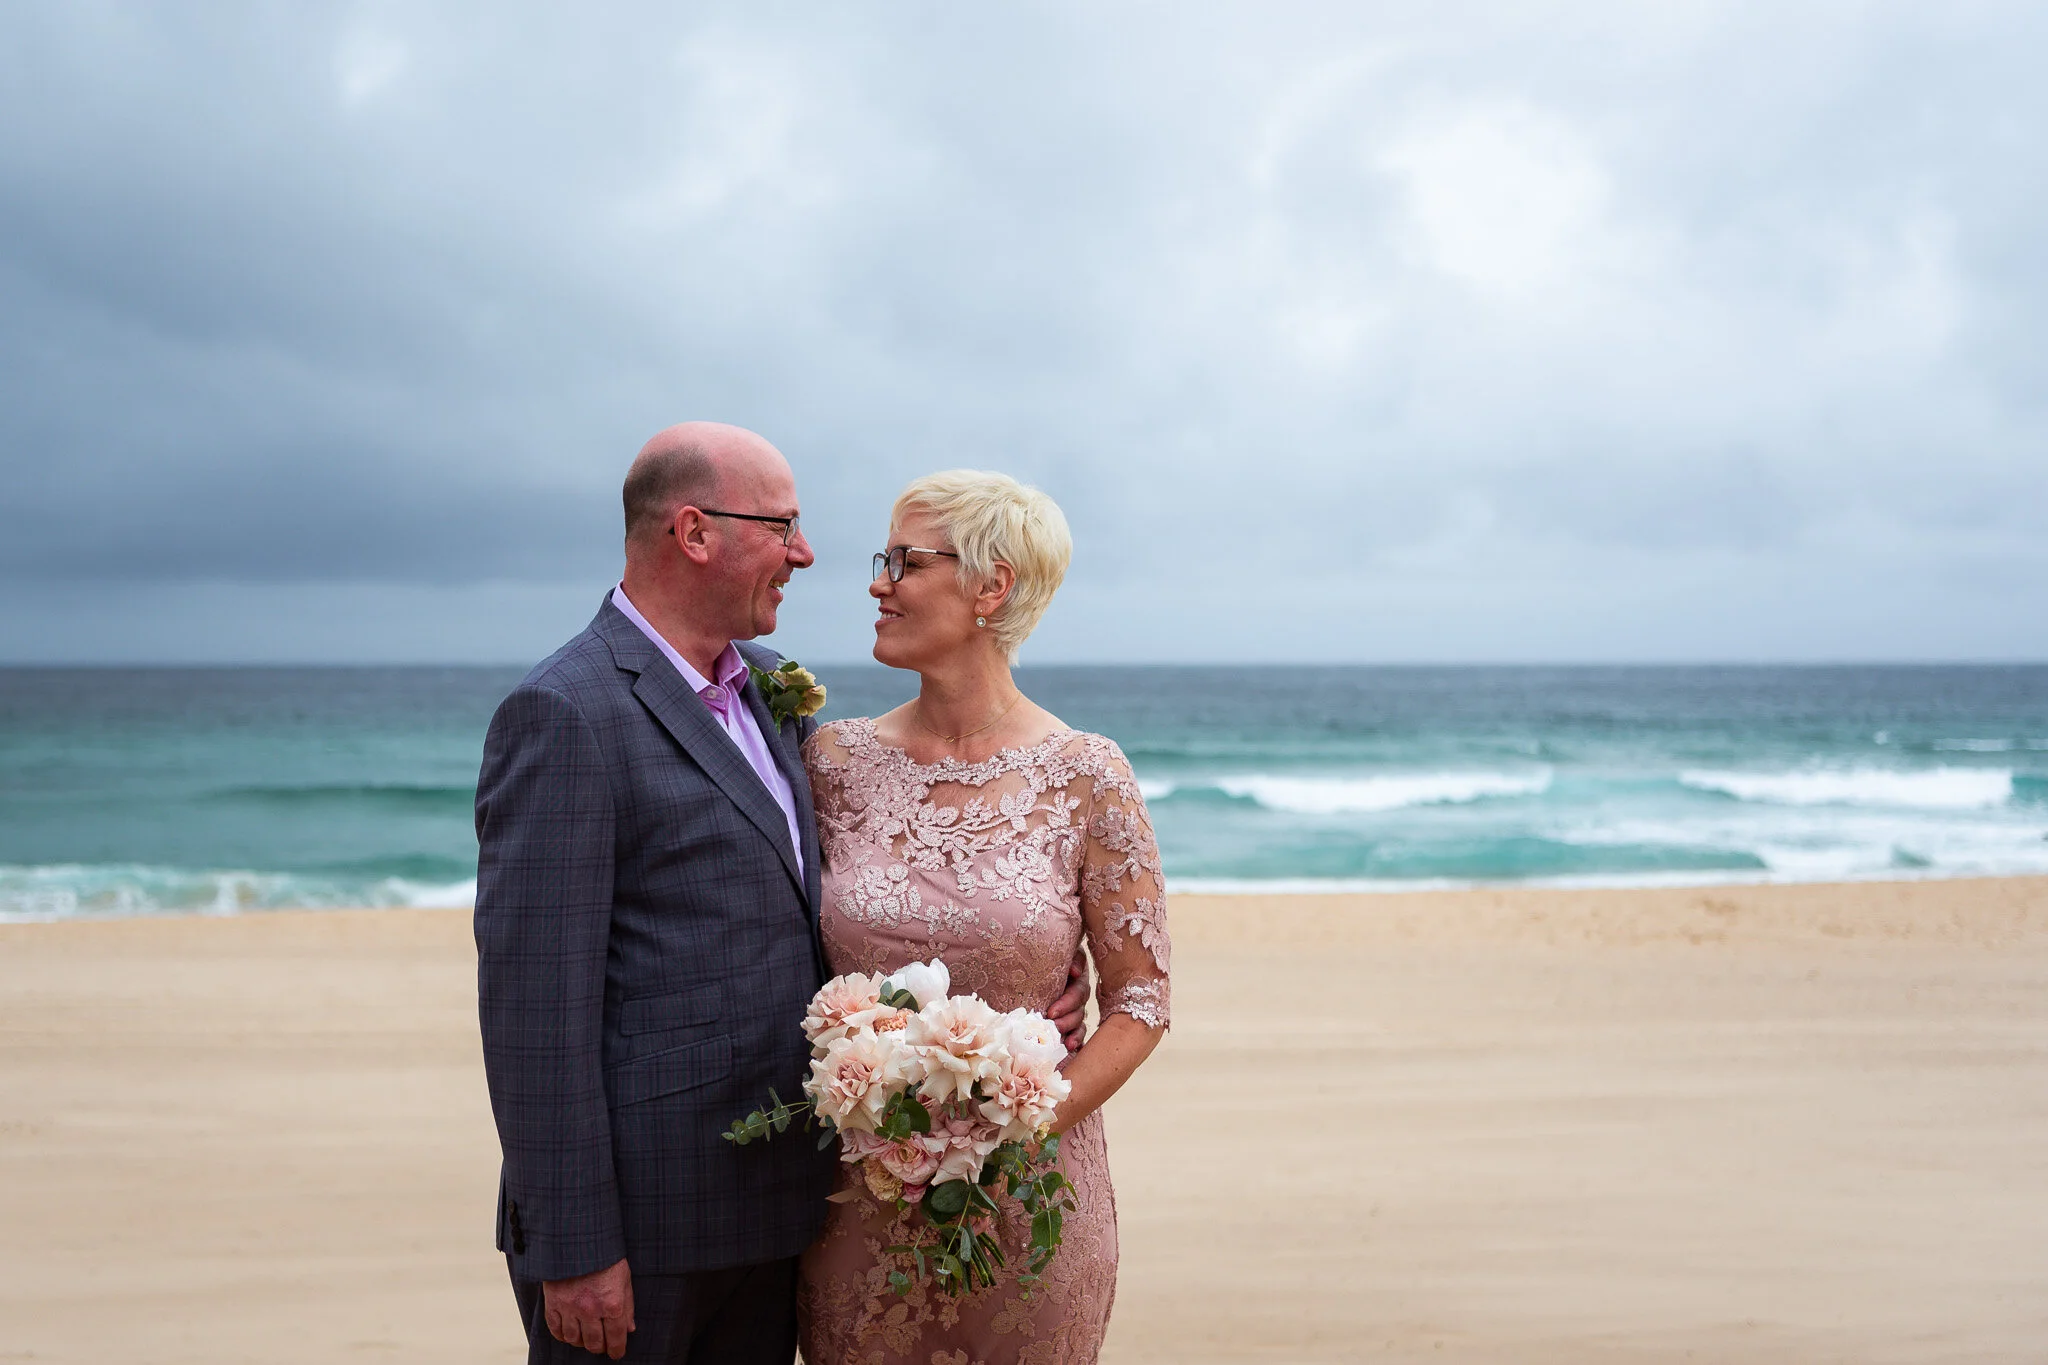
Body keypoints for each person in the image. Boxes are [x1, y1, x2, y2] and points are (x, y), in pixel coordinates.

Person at [473, 422, 1096, 1364]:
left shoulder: (774, 694)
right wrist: (574, 1247)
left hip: (779, 1218)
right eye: (782, 526)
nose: (807, 555)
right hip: (639, 1237)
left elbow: (842, 900)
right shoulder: (567, 713)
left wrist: (1023, 973)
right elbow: (532, 1015)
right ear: (694, 532)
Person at [796, 471, 1171, 1365]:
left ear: (990, 586)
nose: (879, 583)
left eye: (905, 561)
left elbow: (1142, 1001)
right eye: (882, 560)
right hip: (860, 1200)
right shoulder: (831, 761)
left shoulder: (1088, 775)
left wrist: (1016, 1120)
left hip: (1031, 1204)